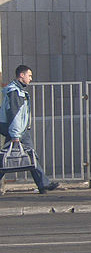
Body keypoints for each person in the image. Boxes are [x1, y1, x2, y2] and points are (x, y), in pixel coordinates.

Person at [0, 65, 59, 194]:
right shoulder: (16, 92)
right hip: (17, 130)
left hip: (18, 130)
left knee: (25, 157)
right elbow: (15, 114)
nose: (30, 78)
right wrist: (15, 135)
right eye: (29, 75)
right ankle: (43, 184)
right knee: (11, 158)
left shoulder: (17, 91)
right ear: (22, 75)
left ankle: (43, 184)